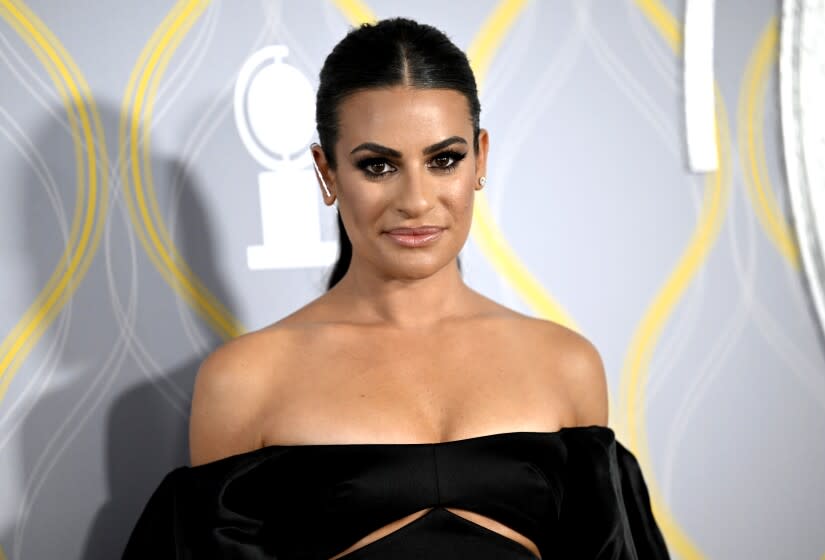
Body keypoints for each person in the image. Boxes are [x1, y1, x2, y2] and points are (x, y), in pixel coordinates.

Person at [122, 17, 670, 559]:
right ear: (327, 172)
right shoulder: (243, 381)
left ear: (480, 157)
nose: (416, 199)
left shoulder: (567, 364)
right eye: (379, 165)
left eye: (444, 160)